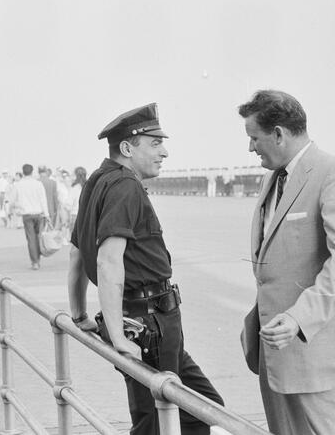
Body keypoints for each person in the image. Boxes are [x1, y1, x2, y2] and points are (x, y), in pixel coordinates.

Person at [69, 103, 223, 435]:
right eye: (155, 144)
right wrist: (119, 338)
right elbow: (108, 261)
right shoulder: (125, 185)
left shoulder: (97, 180)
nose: (164, 152)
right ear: (127, 148)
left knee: (201, 408)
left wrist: (79, 313)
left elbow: (77, 254)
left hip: (143, 321)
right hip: (149, 322)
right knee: (162, 420)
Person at [238, 90, 335, 435]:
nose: (251, 147)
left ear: (278, 133)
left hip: (324, 361)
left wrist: (299, 317)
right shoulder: (273, 179)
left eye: (254, 138)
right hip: (278, 359)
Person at [10, 164, 49, 270]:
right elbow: (43, 199)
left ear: (23, 172)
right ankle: (38, 258)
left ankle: (35, 262)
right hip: (39, 214)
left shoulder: (18, 185)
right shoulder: (38, 184)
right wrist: (47, 214)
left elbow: (12, 200)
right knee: (38, 237)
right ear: (32, 172)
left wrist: (14, 209)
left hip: (27, 215)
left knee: (31, 238)